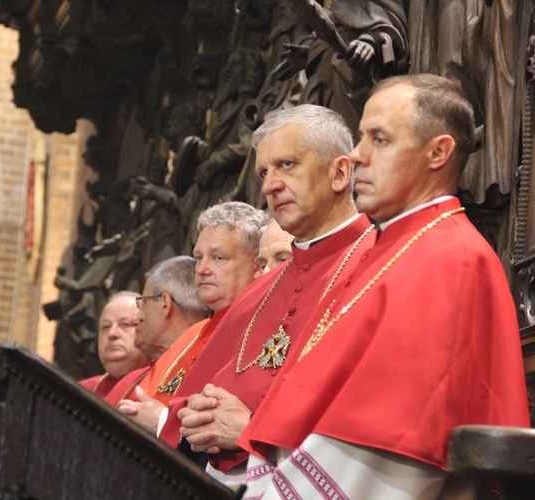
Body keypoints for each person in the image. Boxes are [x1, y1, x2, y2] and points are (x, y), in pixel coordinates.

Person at [239, 74, 530, 497]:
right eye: (361, 138)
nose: (356, 156)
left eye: (380, 139)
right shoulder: (389, 246)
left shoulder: (450, 259)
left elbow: (398, 432)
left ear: (438, 152)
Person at [159, 104, 376, 484]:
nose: (268, 185)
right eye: (264, 171)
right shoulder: (265, 286)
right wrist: (197, 415)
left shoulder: (379, 268)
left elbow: (376, 419)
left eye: (287, 165)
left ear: (340, 173)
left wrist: (253, 428)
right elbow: (193, 398)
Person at [116, 201, 267, 431]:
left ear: (258, 266)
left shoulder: (261, 333)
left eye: (218, 258)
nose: (202, 269)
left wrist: (162, 423)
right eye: (198, 257)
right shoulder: (195, 333)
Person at [101, 257, 208, 406]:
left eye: (143, 303)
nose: (138, 317)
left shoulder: (207, 366)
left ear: (165, 304)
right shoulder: (134, 380)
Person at [78, 292, 152, 398]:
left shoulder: (165, 384)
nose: (112, 333)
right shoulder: (80, 391)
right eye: (106, 327)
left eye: (125, 324)